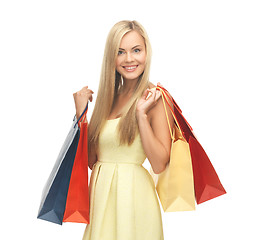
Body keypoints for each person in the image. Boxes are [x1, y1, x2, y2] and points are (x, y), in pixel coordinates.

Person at [73, 20, 174, 240]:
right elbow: (91, 161)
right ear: (112, 57)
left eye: (136, 50)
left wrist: (141, 116)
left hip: (134, 200)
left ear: (146, 53)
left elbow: (159, 164)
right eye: (120, 52)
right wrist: (82, 116)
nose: (129, 59)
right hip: (101, 201)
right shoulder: (108, 99)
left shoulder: (156, 98)